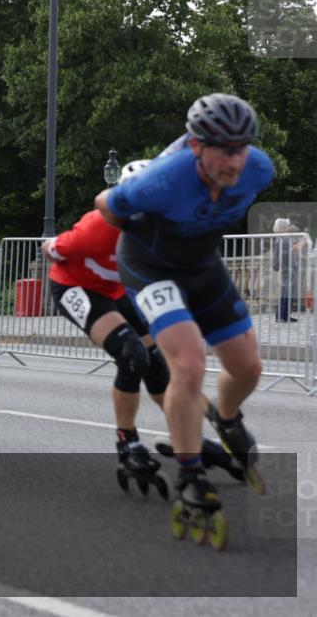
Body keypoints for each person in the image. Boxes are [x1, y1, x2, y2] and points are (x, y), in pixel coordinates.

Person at [96, 93, 273, 545]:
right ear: (196, 146)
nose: (235, 161)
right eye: (223, 150)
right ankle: (191, 476)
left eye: (242, 148)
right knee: (190, 362)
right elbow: (105, 203)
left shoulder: (259, 168)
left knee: (248, 367)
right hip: (148, 264)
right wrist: (139, 226)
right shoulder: (161, 179)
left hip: (201, 265)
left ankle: (227, 418)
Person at [44, 160, 171, 495]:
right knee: (131, 354)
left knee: (156, 361)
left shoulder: (166, 231)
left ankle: (186, 431)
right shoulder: (95, 230)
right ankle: (127, 441)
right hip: (74, 286)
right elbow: (51, 249)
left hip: (116, 291)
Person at [272, 217, 303, 323]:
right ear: (283, 227)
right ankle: (284, 316)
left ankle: (280, 316)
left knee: (284, 292)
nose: (289, 227)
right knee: (288, 292)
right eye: (287, 225)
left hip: (286, 268)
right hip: (288, 268)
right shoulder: (284, 238)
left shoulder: (281, 238)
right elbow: (292, 251)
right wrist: (302, 241)